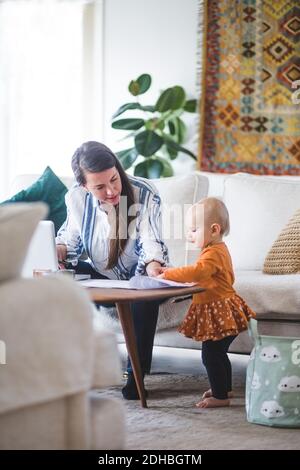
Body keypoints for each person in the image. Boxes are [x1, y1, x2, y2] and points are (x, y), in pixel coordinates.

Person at [56, 141, 168, 400]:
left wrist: (154, 266)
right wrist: (60, 249)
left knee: (144, 295)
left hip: (140, 275)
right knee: (55, 280)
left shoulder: (145, 193)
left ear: (118, 169)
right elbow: (70, 239)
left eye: (114, 180)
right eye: (99, 187)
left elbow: (151, 243)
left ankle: (135, 374)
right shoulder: (76, 197)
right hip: (100, 275)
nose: (111, 190)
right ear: (85, 186)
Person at [158, 197, 256, 408]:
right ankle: (224, 388)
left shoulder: (212, 253)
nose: (188, 234)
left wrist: (168, 273)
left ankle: (220, 397)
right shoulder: (217, 249)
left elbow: (199, 270)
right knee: (218, 353)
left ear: (214, 229)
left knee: (211, 355)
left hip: (221, 311)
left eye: (193, 229)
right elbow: (207, 275)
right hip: (224, 309)